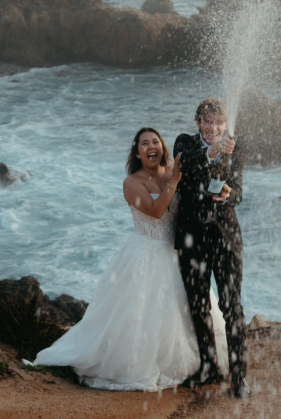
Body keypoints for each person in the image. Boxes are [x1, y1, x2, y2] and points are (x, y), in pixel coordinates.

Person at [33, 127, 228, 391]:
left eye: (155, 142)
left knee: (195, 308)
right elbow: (157, 211)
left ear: (162, 148)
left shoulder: (174, 169)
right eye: (144, 143)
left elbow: (200, 193)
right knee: (139, 317)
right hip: (145, 256)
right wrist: (176, 179)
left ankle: (207, 363)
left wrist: (221, 188)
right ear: (137, 152)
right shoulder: (132, 183)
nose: (151, 146)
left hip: (178, 253)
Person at [173, 98, 249, 399]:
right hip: (191, 237)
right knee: (198, 304)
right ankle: (208, 367)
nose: (214, 127)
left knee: (232, 306)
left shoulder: (235, 147)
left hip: (225, 238)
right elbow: (186, 173)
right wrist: (213, 151)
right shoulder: (184, 143)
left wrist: (229, 194)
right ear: (198, 122)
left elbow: (239, 191)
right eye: (208, 121)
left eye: (219, 122)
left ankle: (239, 377)